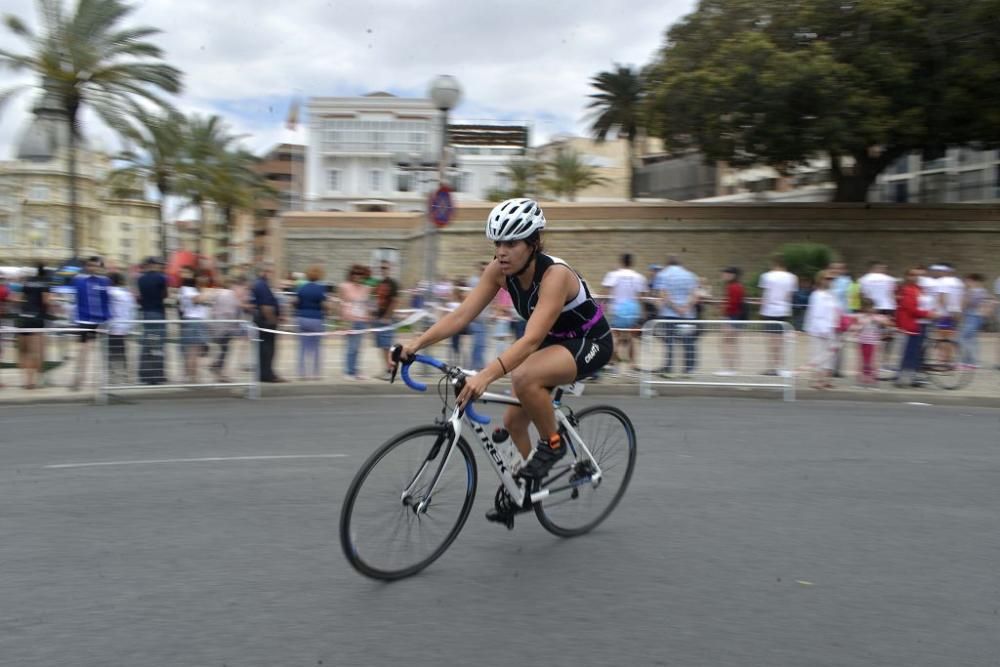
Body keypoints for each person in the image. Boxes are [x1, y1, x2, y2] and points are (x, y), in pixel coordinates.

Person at [399, 198, 613, 510]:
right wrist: (415, 344)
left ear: (534, 243)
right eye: (498, 242)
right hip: (554, 343)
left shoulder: (555, 275)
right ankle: (528, 488)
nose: (501, 251)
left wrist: (485, 376)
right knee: (513, 422)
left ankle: (553, 444)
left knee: (525, 376)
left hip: (590, 341)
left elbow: (530, 340)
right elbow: (461, 316)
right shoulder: (498, 271)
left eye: (511, 243)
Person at [653, 256, 699, 378]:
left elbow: (664, 295)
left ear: (668, 264)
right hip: (688, 315)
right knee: (688, 341)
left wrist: (676, 308)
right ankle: (689, 370)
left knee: (670, 341)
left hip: (670, 314)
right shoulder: (690, 275)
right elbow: (695, 295)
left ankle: (669, 368)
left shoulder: (663, 275)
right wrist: (685, 308)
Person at [70, 256, 111, 391]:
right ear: (86, 266)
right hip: (84, 320)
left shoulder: (106, 281)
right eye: (90, 265)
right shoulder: (78, 280)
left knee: (99, 351)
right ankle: (78, 380)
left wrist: (108, 318)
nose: (92, 268)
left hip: (101, 321)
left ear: (100, 267)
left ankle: (97, 381)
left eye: (95, 266)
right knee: (83, 350)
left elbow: (108, 301)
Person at [602, 253, 647, 372]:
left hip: (617, 311)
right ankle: (632, 363)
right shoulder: (639, 277)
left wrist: (603, 307)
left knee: (616, 337)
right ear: (632, 263)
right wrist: (642, 312)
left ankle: (612, 362)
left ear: (621, 262)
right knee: (632, 338)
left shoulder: (613, 275)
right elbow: (641, 296)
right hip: (633, 311)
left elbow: (606, 293)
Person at [757, 255, 798, 375]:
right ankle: (780, 366)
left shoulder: (766, 276)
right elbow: (789, 296)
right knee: (781, 340)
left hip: (769, 310)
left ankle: (773, 367)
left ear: (774, 263)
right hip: (784, 310)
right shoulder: (792, 277)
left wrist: (761, 310)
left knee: (771, 341)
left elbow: (765, 295)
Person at [804, 271, 841, 389]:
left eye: (831, 279)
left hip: (830, 329)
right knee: (818, 354)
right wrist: (822, 330)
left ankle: (826, 379)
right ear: (820, 280)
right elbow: (816, 315)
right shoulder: (817, 295)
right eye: (827, 278)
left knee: (829, 356)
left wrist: (836, 325)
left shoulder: (831, 295)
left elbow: (835, 312)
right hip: (818, 330)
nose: (830, 281)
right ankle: (816, 380)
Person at [16, 263, 51, 390]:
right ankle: (32, 382)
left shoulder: (28, 282)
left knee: (23, 351)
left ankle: (24, 381)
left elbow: (19, 299)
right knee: (35, 352)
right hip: (37, 318)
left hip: (23, 316)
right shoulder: (45, 283)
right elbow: (46, 301)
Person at [895, 268, 931, 388]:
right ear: (907, 276)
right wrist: (928, 314)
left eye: (918, 275)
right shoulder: (908, 290)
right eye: (912, 275)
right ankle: (902, 378)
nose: (916, 277)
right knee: (909, 352)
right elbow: (911, 309)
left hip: (921, 324)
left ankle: (912, 377)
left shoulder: (919, 289)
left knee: (917, 352)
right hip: (911, 325)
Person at [858, 261, 897, 371]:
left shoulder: (864, 279)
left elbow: (862, 295)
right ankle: (884, 362)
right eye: (882, 269)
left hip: (872, 309)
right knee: (887, 337)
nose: (883, 271)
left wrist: (865, 310)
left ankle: (874, 363)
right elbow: (891, 294)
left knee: (873, 337)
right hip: (887, 308)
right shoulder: (889, 279)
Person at [251, 263, 287, 383]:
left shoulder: (262, 284)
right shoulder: (262, 285)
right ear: (264, 272)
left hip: (263, 320)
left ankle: (265, 373)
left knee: (264, 349)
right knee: (267, 349)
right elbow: (266, 306)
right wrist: (273, 321)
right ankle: (267, 374)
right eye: (270, 271)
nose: (272, 274)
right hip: (266, 322)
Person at [137, 257, 169, 385]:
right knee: (157, 345)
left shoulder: (140, 279)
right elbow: (165, 295)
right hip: (158, 313)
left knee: (147, 344)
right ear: (154, 265)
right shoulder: (161, 278)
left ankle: (144, 374)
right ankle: (157, 375)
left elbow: (140, 296)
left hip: (146, 314)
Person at [294, 264, 329, 381]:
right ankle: (316, 374)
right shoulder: (320, 289)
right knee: (316, 348)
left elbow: (295, 302)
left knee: (302, 347)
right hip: (316, 319)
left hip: (302, 318)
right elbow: (325, 305)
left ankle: (302, 373)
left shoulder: (301, 288)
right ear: (319, 276)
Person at [849, 298, 892, 388]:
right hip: (862, 341)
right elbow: (853, 327)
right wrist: (858, 327)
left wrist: (879, 321)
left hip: (873, 342)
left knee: (872, 361)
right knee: (862, 361)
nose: (869, 310)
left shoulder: (876, 317)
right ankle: (862, 378)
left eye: (871, 307)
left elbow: (887, 322)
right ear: (863, 308)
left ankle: (872, 378)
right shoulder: (861, 317)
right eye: (867, 308)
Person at [210, 275, 246, 383]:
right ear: (236, 286)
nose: (244, 291)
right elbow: (228, 314)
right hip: (222, 328)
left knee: (224, 350)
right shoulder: (228, 296)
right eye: (243, 288)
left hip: (225, 328)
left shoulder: (231, 296)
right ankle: (217, 369)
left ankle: (217, 369)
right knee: (224, 350)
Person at [339, 264, 371, 380]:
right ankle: (348, 372)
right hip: (350, 320)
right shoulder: (344, 286)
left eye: (360, 274)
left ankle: (356, 370)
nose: (357, 276)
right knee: (351, 347)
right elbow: (342, 304)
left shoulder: (366, 288)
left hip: (362, 320)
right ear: (351, 275)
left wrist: (368, 317)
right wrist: (343, 321)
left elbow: (366, 304)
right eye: (355, 273)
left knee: (358, 348)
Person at [179, 272, 211, 383]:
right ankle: (191, 377)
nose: (205, 279)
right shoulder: (187, 289)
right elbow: (197, 300)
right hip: (193, 321)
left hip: (200, 322)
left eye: (206, 277)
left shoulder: (199, 290)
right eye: (202, 276)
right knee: (192, 351)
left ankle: (192, 375)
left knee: (197, 351)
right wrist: (207, 291)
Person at [106, 272, 136, 385]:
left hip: (112, 326)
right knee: (122, 351)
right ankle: (125, 375)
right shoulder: (127, 294)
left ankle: (112, 375)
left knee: (111, 352)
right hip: (124, 327)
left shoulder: (110, 292)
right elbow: (132, 311)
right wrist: (130, 326)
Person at [372, 260, 400, 379]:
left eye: (385, 268)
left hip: (386, 319)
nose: (383, 270)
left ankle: (391, 371)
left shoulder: (393, 283)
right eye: (381, 268)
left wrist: (387, 316)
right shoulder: (379, 283)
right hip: (378, 317)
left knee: (387, 346)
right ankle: (387, 369)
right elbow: (376, 299)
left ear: (390, 269)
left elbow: (395, 301)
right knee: (382, 347)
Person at [716, 267, 746, 376]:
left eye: (725, 273)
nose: (723, 275)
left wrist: (724, 315)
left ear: (732, 275)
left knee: (726, 343)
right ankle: (733, 368)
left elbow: (732, 304)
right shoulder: (738, 286)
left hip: (731, 317)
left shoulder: (732, 287)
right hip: (735, 317)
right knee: (732, 343)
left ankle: (729, 368)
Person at [958, 273, 989, 369]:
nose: (966, 283)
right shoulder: (982, 291)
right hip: (974, 317)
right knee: (971, 340)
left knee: (963, 338)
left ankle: (971, 361)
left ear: (972, 281)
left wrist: (966, 295)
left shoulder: (974, 292)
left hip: (973, 317)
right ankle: (969, 362)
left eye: (967, 281)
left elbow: (965, 304)